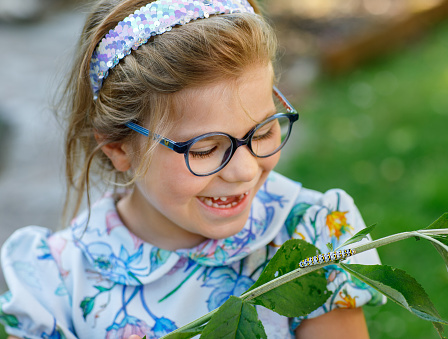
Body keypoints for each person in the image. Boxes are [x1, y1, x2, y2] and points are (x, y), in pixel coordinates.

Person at [0, 0, 385, 338]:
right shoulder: (57, 284)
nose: (244, 171)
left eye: (264, 131)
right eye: (204, 150)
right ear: (118, 148)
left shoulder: (312, 238)